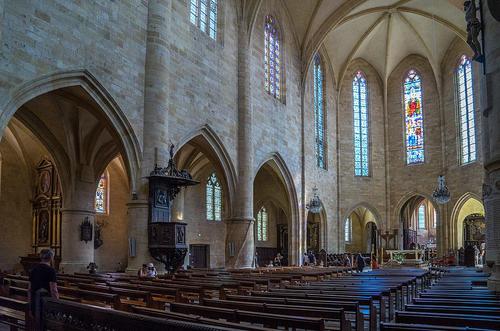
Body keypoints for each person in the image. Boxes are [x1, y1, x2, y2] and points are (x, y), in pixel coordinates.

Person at [28, 249, 59, 317]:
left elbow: (29, 289)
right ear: (51, 258)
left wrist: (30, 306)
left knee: (37, 325)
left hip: (34, 302)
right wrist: (56, 305)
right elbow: (53, 290)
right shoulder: (51, 270)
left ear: (41, 257)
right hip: (46, 305)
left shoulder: (33, 269)